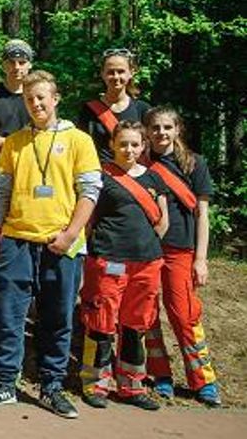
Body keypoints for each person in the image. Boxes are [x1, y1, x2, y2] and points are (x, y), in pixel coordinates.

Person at [0, 70, 101, 419]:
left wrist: (70, 234)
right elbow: (0, 193)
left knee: (58, 316)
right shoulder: (14, 142)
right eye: (30, 99)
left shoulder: (78, 140)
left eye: (42, 97)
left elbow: (90, 191)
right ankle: (4, 383)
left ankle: (51, 386)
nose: (36, 104)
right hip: (16, 240)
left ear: (55, 98)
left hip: (60, 243)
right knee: (8, 315)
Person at [78, 121, 169, 411]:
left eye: (134, 144)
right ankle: (95, 383)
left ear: (143, 146)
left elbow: (162, 221)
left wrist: (145, 245)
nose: (128, 150)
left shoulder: (154, 179)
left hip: (146, 263)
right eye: (123, 144)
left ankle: (132, 386)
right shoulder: (102, 178)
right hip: (108, 260)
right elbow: (89, 221)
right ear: (112, 145)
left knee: (135, 325)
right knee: (101, 323)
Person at [142, 107, 221, 406]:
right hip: (146, 249)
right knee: (147, 314)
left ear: (177, 130)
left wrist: (201, 259)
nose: (161, 133)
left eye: (167, 127)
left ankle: (203, 380)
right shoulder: (140, 162)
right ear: (147, 131)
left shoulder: (194, 164)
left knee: (184, 314)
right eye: (155, 128)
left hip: (181, 250)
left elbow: (202, 215)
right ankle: (159, 374)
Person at [78, 48, 151, 161]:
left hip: (134, 176)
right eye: (111, 72)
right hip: (101, 175)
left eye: (121, 71)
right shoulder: (89, 110)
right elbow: (80, 148)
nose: (116, 77)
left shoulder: (143, 109)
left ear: (131, 72)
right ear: (102, 74)